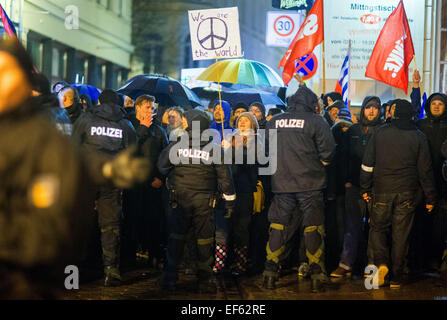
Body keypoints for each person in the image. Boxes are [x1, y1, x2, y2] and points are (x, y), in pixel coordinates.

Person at [0, 39, 149, 299]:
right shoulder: (123, 124)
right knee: (109, 226)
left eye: (5, 73)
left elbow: (71, 157)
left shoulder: (41, 133)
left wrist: (104, 169)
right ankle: (107, 269)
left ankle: (91, 270)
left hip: (25, 275)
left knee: (101, 226)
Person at [262, 76, 336, 293]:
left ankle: (269, 273)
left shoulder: (275, 121)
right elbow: (328, 153)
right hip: (310, 185)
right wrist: (317, 163)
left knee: (278, 226)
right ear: (312, 103)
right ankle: (317, 275)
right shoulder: (316, 121)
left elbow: (266, 151)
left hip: (282, 183)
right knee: (312, 228)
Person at [360, 99, 437, 289]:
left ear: (393, 114)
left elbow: (367, 165)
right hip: (408, 193)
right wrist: (430, 197)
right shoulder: (418, 136)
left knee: (378, 230)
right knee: (401, 234)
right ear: (411, 116)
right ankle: (397, 276)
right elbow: (425, 170)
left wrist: (364, 189)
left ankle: (381, 263)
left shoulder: (379, 133)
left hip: (381, 190)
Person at [157, 109, 236, 293]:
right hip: (205, 202)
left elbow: (161, 167)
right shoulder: (215, 149)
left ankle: (169, 279)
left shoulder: (176, 146)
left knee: (176, 239)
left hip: (179, 200)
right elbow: (226, 178)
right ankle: (204, 281)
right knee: (204, 241)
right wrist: (230, 203)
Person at [72, 89, 137, 287]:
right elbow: (132, 152)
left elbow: (73, 146)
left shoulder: (86, 119)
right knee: (110, 225)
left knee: (80, 223)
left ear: (100, 101)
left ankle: (74, 273)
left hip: (88, 178)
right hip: (112, 180)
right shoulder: (126, 124)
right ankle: (111, 270)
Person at [330, 96, 383, 278]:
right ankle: (346, 264)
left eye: (375, 108)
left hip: (377, 187)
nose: (371, 111)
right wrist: (346, 179)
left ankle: (372, 265)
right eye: (368, 107)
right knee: (351, 227)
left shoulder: (384, 131)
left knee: (375, 228)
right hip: (354, 186)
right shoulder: (353, 130)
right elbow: (342, 157)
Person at [221, 112, 260, 277]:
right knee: (226, 227)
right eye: (240, 120)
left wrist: (232, 149)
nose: (242, 122)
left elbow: (248, 161)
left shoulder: (256, 141)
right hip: (229, 190)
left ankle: (241, 263)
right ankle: (225, 261)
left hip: (244, 191)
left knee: (242, 228)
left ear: (253, 125)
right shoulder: (230, 139)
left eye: (246, 120)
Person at [416, 92, 447, 282]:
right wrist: (417, 88)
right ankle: (420, 258)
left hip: (443, 182)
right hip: (422, 181)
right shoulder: (421, 125)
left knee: (440, 223)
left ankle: (435, 258)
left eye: (440, 104)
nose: (436, 106)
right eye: (433, 103)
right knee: (421, 220)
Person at [325, 106, 354, 272]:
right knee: (335, 227)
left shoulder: (350, 141)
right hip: (335, 192)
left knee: (344, 227)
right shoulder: (332, 141)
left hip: (345, 192)